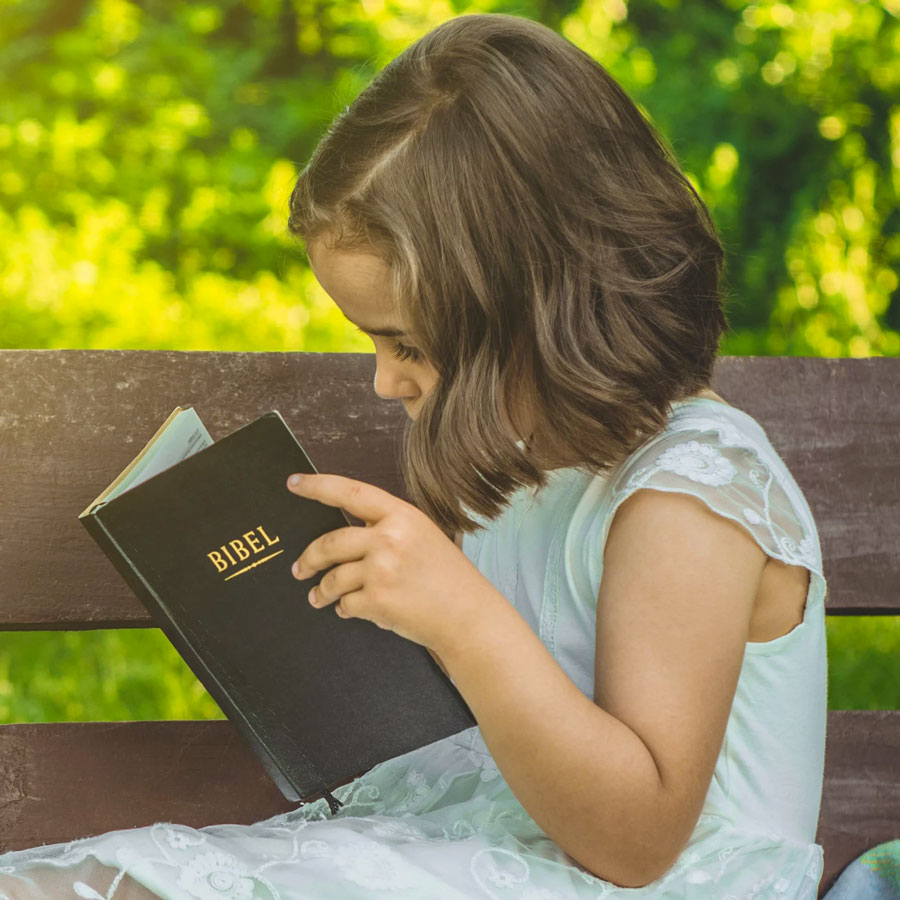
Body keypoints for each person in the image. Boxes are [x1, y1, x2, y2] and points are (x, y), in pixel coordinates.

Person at [0, 11, 827, 900]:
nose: (384, 383)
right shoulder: (526, 460)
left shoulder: (688, 490)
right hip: (495, 849)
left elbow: (637, 842)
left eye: (408, 343)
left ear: (536, 302)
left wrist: (460, 619)